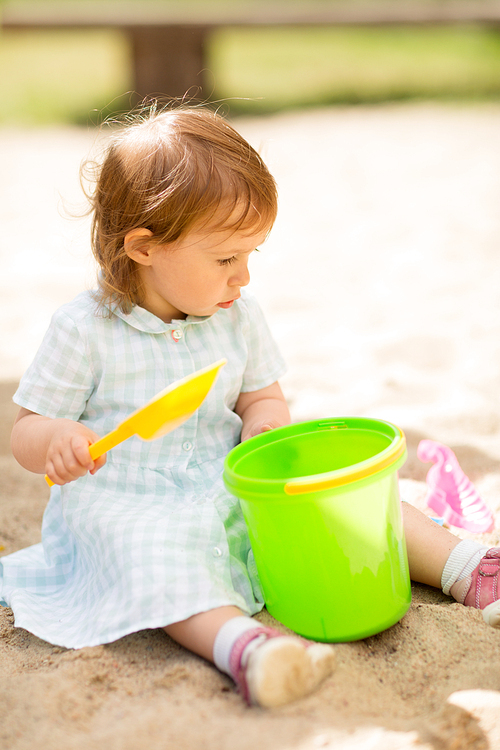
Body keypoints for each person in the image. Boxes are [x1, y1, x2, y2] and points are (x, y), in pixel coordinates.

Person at [2, 105, 499, 709]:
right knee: (152, 558)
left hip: (229, 479)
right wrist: (57, 439)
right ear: (143, 247)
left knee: (348, 501)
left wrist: (264, 426)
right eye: (225, 260)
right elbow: (25, 432)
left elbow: (262, 396)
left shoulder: (236, 317)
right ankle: (245, 649)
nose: (242, 278)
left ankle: (470, 567)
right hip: (125, 498)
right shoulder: (84, 329)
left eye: (250, 256)